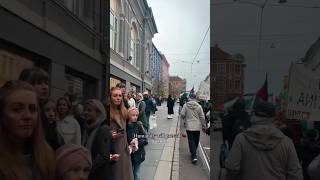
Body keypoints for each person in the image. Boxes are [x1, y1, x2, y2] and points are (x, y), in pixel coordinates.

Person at [225, 102, 303, 180]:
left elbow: (232, 167)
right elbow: (295, 174)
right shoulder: (286, 142)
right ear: (273, 117)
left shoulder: (241, 139)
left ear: (254, 114)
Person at [0, 80, 56, 180]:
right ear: (2, 114)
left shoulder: (46, 154)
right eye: (17, 109)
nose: (27, 116)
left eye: (32, 109)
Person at [82, 99, 113, 180]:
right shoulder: (87, 129)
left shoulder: (103, 129)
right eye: (84, 110)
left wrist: (88, 169)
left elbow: (103, 156)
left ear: (98, 113)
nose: (85, 112)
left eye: (89, 110)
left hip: (99, 175)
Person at [109, 87, 134, 180]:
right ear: (110, 97)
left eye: (120, 95)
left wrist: (132, 141)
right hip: (113, 150)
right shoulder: (108, 112)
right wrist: (110, 134)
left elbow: (128, 129)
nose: (118, 98)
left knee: (126, 175)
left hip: (124, 149)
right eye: (115, 96)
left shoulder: (124, 111)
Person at [180, 93, 206, 164]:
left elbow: (182, 114)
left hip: (189, 125)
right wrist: (204, 125)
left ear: (190, 98)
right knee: (196, 140)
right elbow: (202, 117)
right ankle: (194, 154)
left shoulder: (185, 105)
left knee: (191, 140)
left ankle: (193, 155)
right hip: (197, 126)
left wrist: (184, 119)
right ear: (195, 98)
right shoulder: (199, 106)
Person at [126, 107, 148, 180]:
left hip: (138, 154)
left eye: (136, 115)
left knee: (136, 173)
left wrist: (137, 142)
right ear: (128, 115)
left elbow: (145, 139)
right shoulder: (125, 126)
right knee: (129, 173)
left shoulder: (138, 125)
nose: (135, 117)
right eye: (133, 115)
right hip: (129, 155)